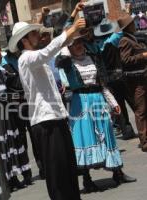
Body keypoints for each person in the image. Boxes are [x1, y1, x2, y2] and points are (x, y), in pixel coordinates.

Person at [8, 7, 86, 200]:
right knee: (57, 176)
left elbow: (58, 43)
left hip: (56, 119)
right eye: (33, 33)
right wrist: (70, 29)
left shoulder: (36, 58)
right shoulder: (26, 58)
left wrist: (72, 22)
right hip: (45, 124)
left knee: (68, 170)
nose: (37, 35)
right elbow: (49, 50)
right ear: (24, 40)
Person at [56, 34, 137, 193]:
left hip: (98, 101)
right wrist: (66, 41)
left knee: (107, 136)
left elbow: (102, 84)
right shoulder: (67, 63)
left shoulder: (92, 59)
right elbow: (60, 59)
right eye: (74, 44)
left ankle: (118, 173)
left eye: (80, 42)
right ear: (69, 48)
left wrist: (113, 102)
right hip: (80, 104)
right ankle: (87, 180)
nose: (78, 45)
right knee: (85, 139)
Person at [0, 45, 32, 191]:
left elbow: (12, 89)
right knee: (2, 143)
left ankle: (15, 176)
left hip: (7, 110)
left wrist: (18, 94)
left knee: (12, 142)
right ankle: (7, 179)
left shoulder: (2, 71)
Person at [93, 19, 136, 140]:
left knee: (118, 105)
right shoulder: (114, 38)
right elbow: (123, 31)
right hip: (120, 75)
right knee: (133, 102)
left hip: (109, 79)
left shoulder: (97, 45)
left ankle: (127, 131)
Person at [118, 15, 147, 152]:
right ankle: (145, 141)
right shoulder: (124, 40)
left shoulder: (132, 37)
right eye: (132, 23)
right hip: (135, 81)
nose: (135, 24)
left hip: (142, 77)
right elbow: (125, 60)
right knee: (140, 110)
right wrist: (143, 56)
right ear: (128, 26)